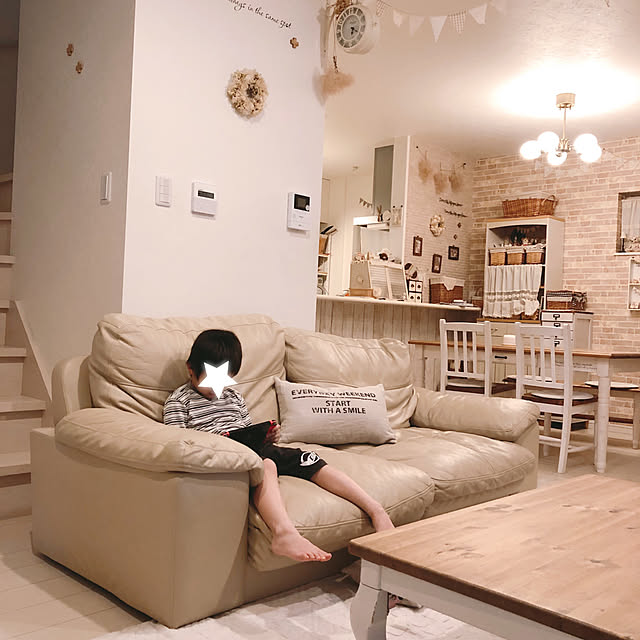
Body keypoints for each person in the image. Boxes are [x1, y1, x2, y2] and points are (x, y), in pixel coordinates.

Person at [163, 329, 394, 564]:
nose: (217, 388)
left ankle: (375, 510)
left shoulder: (234, 397)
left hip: (252, 448)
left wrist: (267, 436)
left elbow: (246, 429)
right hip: (222, 456)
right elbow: (177, 444)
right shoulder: (179, 401)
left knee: (308, 458)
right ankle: (284, 534)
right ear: (190, 369)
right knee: (268, 465)